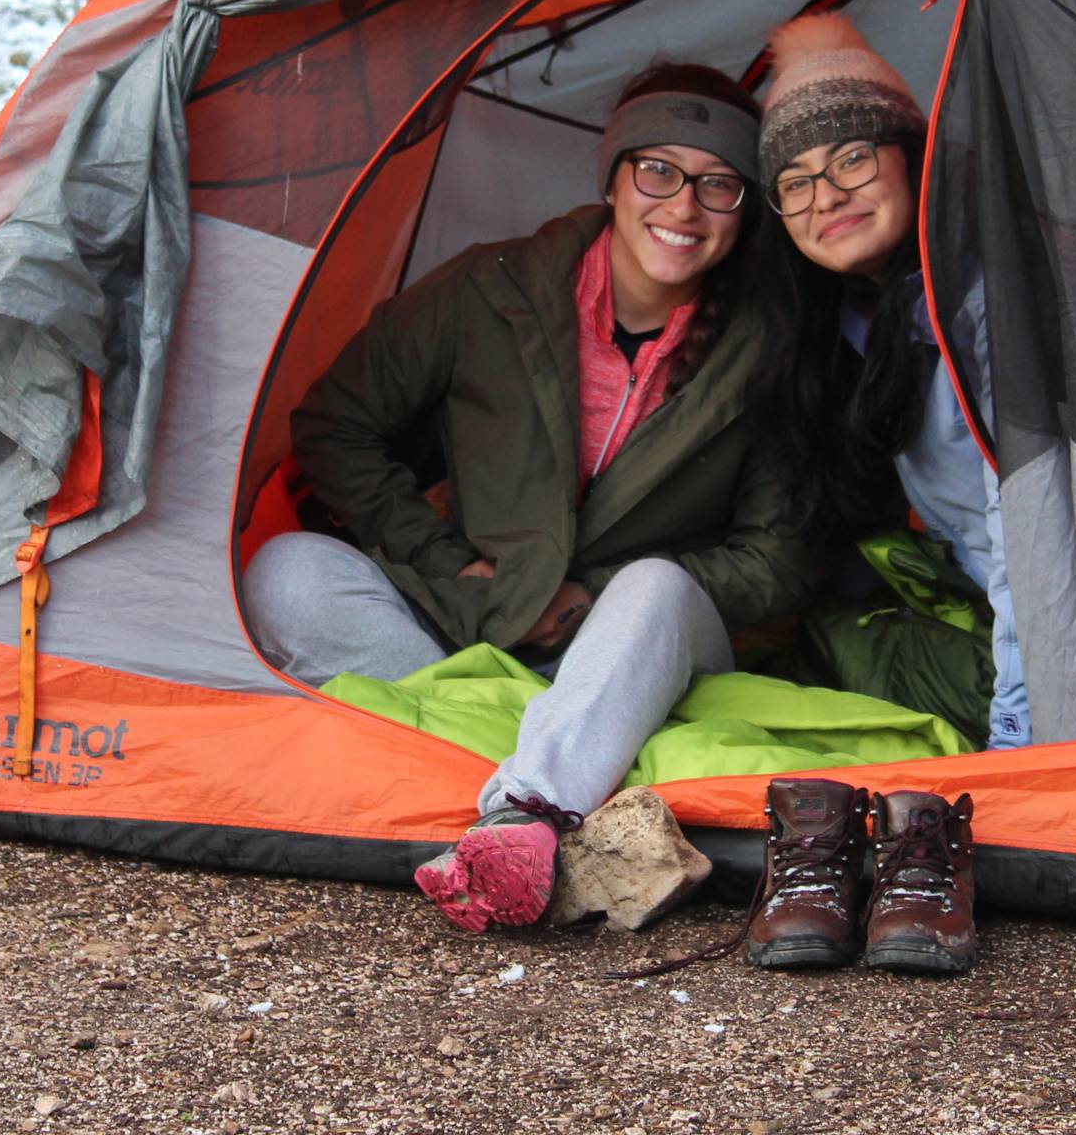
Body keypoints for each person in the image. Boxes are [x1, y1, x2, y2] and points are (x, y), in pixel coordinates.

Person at [240, 63, 817, 935]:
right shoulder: (490, 286)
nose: (684, 208)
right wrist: (441, 559)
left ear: (747, 208)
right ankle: (567, 769)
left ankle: (531, 809)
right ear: (613, 176)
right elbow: (334, 423)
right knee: (287, 571)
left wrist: (600, 588)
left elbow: (779, 557)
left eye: (719, 186)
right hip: (473, 614)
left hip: (639, 646)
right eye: (656, 171)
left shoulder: (771, 346)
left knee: (654, 585)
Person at [749, 15, 1030, 752]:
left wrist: (1019, 736)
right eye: (795, 181)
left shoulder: (989, 304)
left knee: (820, 667)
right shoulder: (861, 323)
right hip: (985, 611)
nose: (826, 196)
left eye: (852, 158)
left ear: (913, 158)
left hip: (1071, 639)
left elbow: (1034, 554)